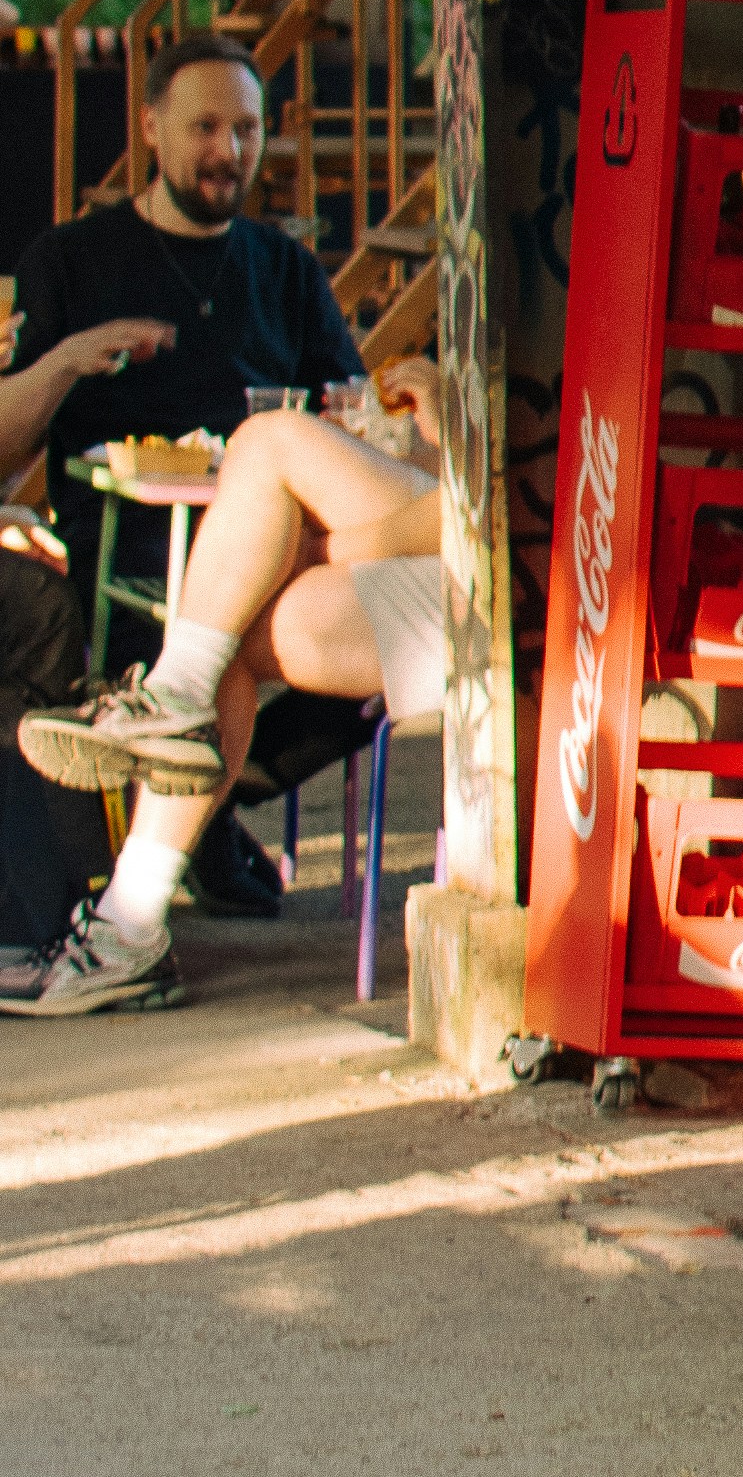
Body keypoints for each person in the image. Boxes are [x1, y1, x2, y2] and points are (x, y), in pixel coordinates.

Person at [0, 42, 372, 961]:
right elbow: (7, 445)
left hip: (270, 551)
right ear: (153, 128)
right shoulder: (72, 260)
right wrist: (68, 358)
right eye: (206, 127)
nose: (228, 151)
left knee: (373, 666)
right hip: (130, 555)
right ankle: (184, 827)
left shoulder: (280, 267)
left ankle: (203, 811)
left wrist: (353, 415)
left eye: (246, 130)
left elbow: (350, 398)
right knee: (173, 659)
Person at [7, 373, 446, 1018]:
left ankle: (169, 697)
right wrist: (438, 419)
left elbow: (502, 498)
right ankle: (128, 930)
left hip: (529, 585)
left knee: (270, 441)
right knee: (226, 634)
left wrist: (332, 545)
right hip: (453, 570)